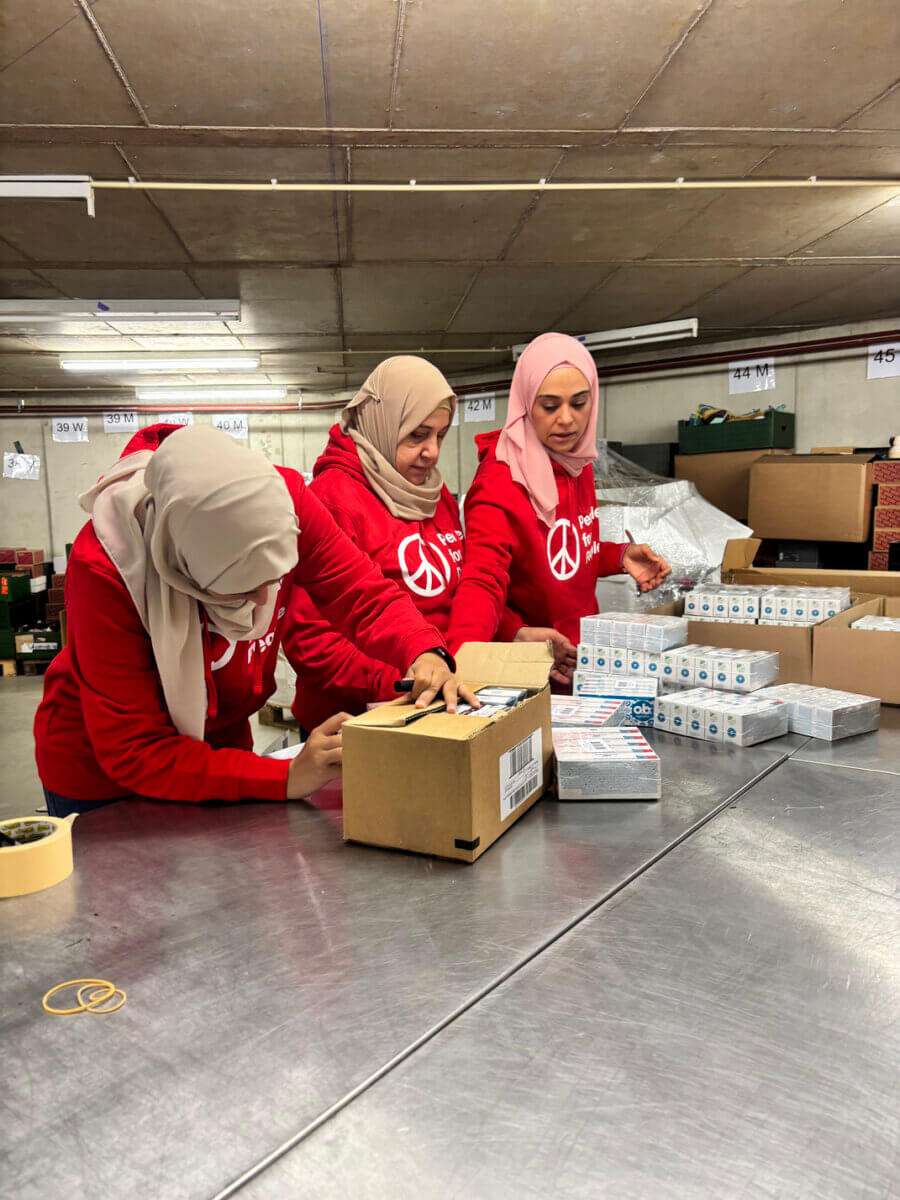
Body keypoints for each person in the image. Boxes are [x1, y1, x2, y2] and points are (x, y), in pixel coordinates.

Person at [34, 423, 477, 818]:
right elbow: (135, 749)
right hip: (104, 780)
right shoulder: (107, 570)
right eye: (240, 588)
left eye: (276, 577)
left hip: (221, 744)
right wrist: (282, 778)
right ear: (183, 565)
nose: (265, 601)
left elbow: (360, 592)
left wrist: (424, 650)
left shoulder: (279, 504)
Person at [284, 356, 572, 728]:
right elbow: (310, 641)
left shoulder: (432, 493)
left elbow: (455, 591)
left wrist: (511, 632)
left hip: (437, 700)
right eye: (417, 435)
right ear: (382, 425)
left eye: (440, 434)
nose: (433, 452)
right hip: (356, 721)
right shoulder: (333, 499)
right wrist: (410, 681)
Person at [447, 332, 670, 676]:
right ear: (525, 405)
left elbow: (560, 552)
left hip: (580, 660)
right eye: (549, 406)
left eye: (579, 403)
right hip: (531, 671)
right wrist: (463, 663)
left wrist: (617, 556)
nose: (566, 419)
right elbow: (481, 582)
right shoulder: (500, 482)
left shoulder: (576, 462)